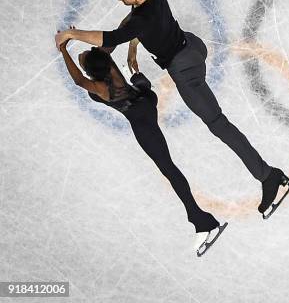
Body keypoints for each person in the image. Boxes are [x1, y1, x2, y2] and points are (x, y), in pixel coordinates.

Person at [55, 0, 289, 218]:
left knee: (218, 124)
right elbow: (130, 26)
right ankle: (268, 174)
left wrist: (72, 34)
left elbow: (114, 36)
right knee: (213, 116)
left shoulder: (143, 18)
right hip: (192, 45)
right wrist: (135, 44)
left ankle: (269, 176)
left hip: (185, 70)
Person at [57, 34, 226, 256]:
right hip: (145, 99)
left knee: (168, 168)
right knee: (168, 167)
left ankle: (202, 221)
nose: (83, 54)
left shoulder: (100, 87)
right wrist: (73, 37)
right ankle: (200, 219)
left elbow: (79, 80)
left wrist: (64, 51)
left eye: (84, 56)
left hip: (141, 119)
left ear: (90, 72)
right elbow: (108, 43)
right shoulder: (105, 62)